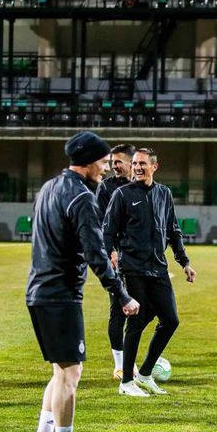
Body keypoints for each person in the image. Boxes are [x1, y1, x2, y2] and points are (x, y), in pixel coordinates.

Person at [26, 131, 139, 432]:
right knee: (71, 373)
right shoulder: (83, 197)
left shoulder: (48, 187)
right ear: (88, 163)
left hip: (38, 291)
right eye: (103, 162)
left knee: (61, 372)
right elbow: (96, 254)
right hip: (60, 295)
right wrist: (122, 294)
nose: (105, 169)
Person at [103, 148, 196, 397]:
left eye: (142, 163)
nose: (137, 167)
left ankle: (144, 374)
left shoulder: (164, 193)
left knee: (171, 320)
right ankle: (126, 383)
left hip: (158, 268)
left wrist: (184, 262)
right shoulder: (122, 194)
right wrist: (111, 254)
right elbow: (108, 231)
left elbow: (173, 230)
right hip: (132, 268)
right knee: (135, 322)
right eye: (135, 163)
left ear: (155, 166)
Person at [95, 143, 135, 381]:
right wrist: (109, 250)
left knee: (143, 311)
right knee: (118, 309)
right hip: (115, 258)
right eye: (111, 162)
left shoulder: (143, 187)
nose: (113, 166)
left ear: (132, 162)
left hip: (140, 258)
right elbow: (100, 225)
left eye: (118, 161)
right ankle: (120, 365)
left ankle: (131, 361)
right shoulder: (106, 189)